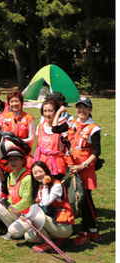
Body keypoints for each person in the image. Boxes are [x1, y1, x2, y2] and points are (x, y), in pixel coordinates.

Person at [63, 97, 102, 245]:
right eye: (79, 107)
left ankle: (90, 232)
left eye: (85, 107)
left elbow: (97, 152)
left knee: (86, 201)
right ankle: (89, 231)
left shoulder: (94, 128)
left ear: (90, 109)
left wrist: (83, 165)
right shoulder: (73, 123)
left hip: (84, 169)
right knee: (79, 200)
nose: (81, 110)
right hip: (73, 167)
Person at [25, 161, 74, 252]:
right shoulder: (38, 186)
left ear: (47, 171)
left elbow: (46, 203)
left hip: (63, 226)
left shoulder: (56, 185)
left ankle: (50, 243)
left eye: (41, 171)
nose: (38, 175)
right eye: (34, 173)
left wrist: (45, 186)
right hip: (52, 222)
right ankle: (57, 240)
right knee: (28, 237)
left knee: (36, 217)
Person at [0, 149, 34, 240]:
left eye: (16, 159)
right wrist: (7, 203)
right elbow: (12, 196)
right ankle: (15, 229)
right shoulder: (11, 176)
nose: (13, 162)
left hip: (27, 215)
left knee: (13, 232)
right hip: (17, 213)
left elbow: (27, 201)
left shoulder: (28, 178)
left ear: (22, 161)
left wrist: (12, 209)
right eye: (10, 160)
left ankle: (16, 230)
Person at [32, 98, 67, 180]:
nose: (47, 114)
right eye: (45, 111)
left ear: (56, 112)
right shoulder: (40, 127)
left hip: (56, 166)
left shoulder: (62, 128)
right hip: (42, 166)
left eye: (50, 111)